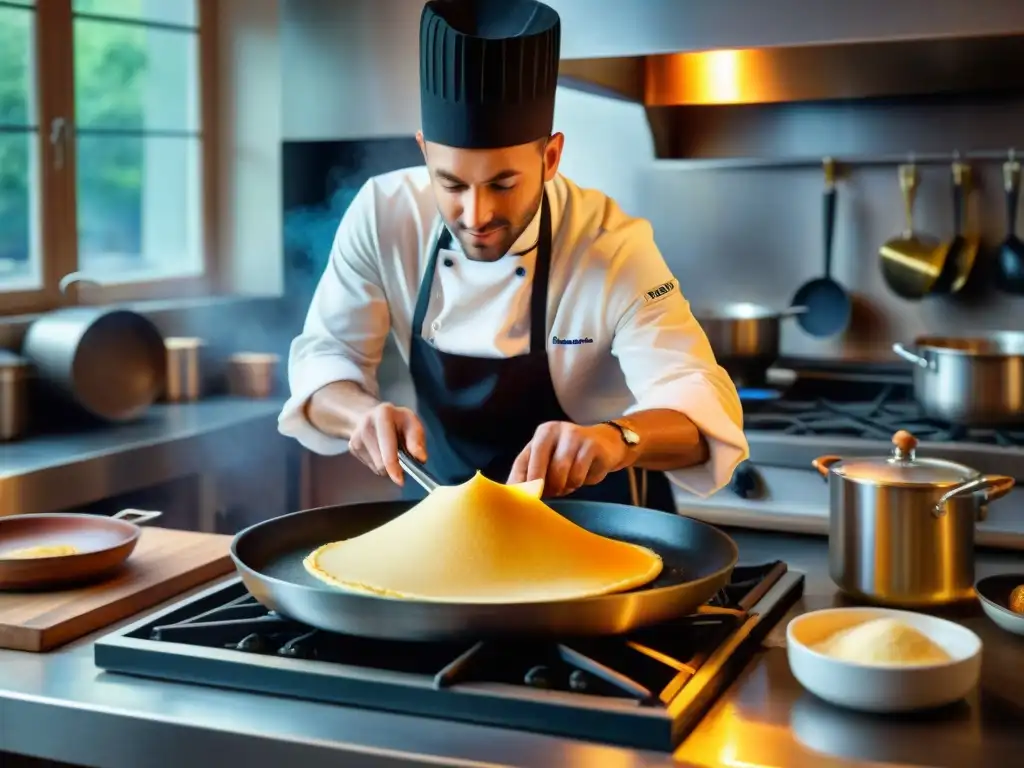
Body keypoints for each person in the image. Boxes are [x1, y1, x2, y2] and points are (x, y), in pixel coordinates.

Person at [278, 0, 748, 511]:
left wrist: (618, 438)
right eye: (451, 183)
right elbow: (325, 360)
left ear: (550, 158)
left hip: (601, 526)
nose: (476, 214)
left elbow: (700, 405)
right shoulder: (383, 214)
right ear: (424, 151)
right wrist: (360, 416)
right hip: (448, 520)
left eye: (503, 184)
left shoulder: (611, 245)